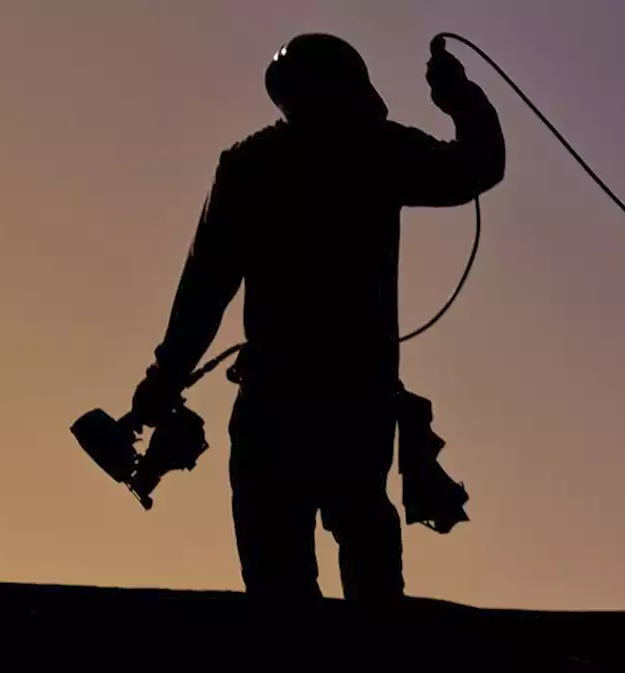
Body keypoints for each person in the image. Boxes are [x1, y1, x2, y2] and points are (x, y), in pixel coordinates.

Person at [127, 33, 505, 606]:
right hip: (354, 402)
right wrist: (460, 99)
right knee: (367, 567)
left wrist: (163, 381)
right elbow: (478, 165)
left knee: (280, 582)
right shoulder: (377, 151)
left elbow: (204, 291)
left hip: (278, 405)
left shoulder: (252, 164)